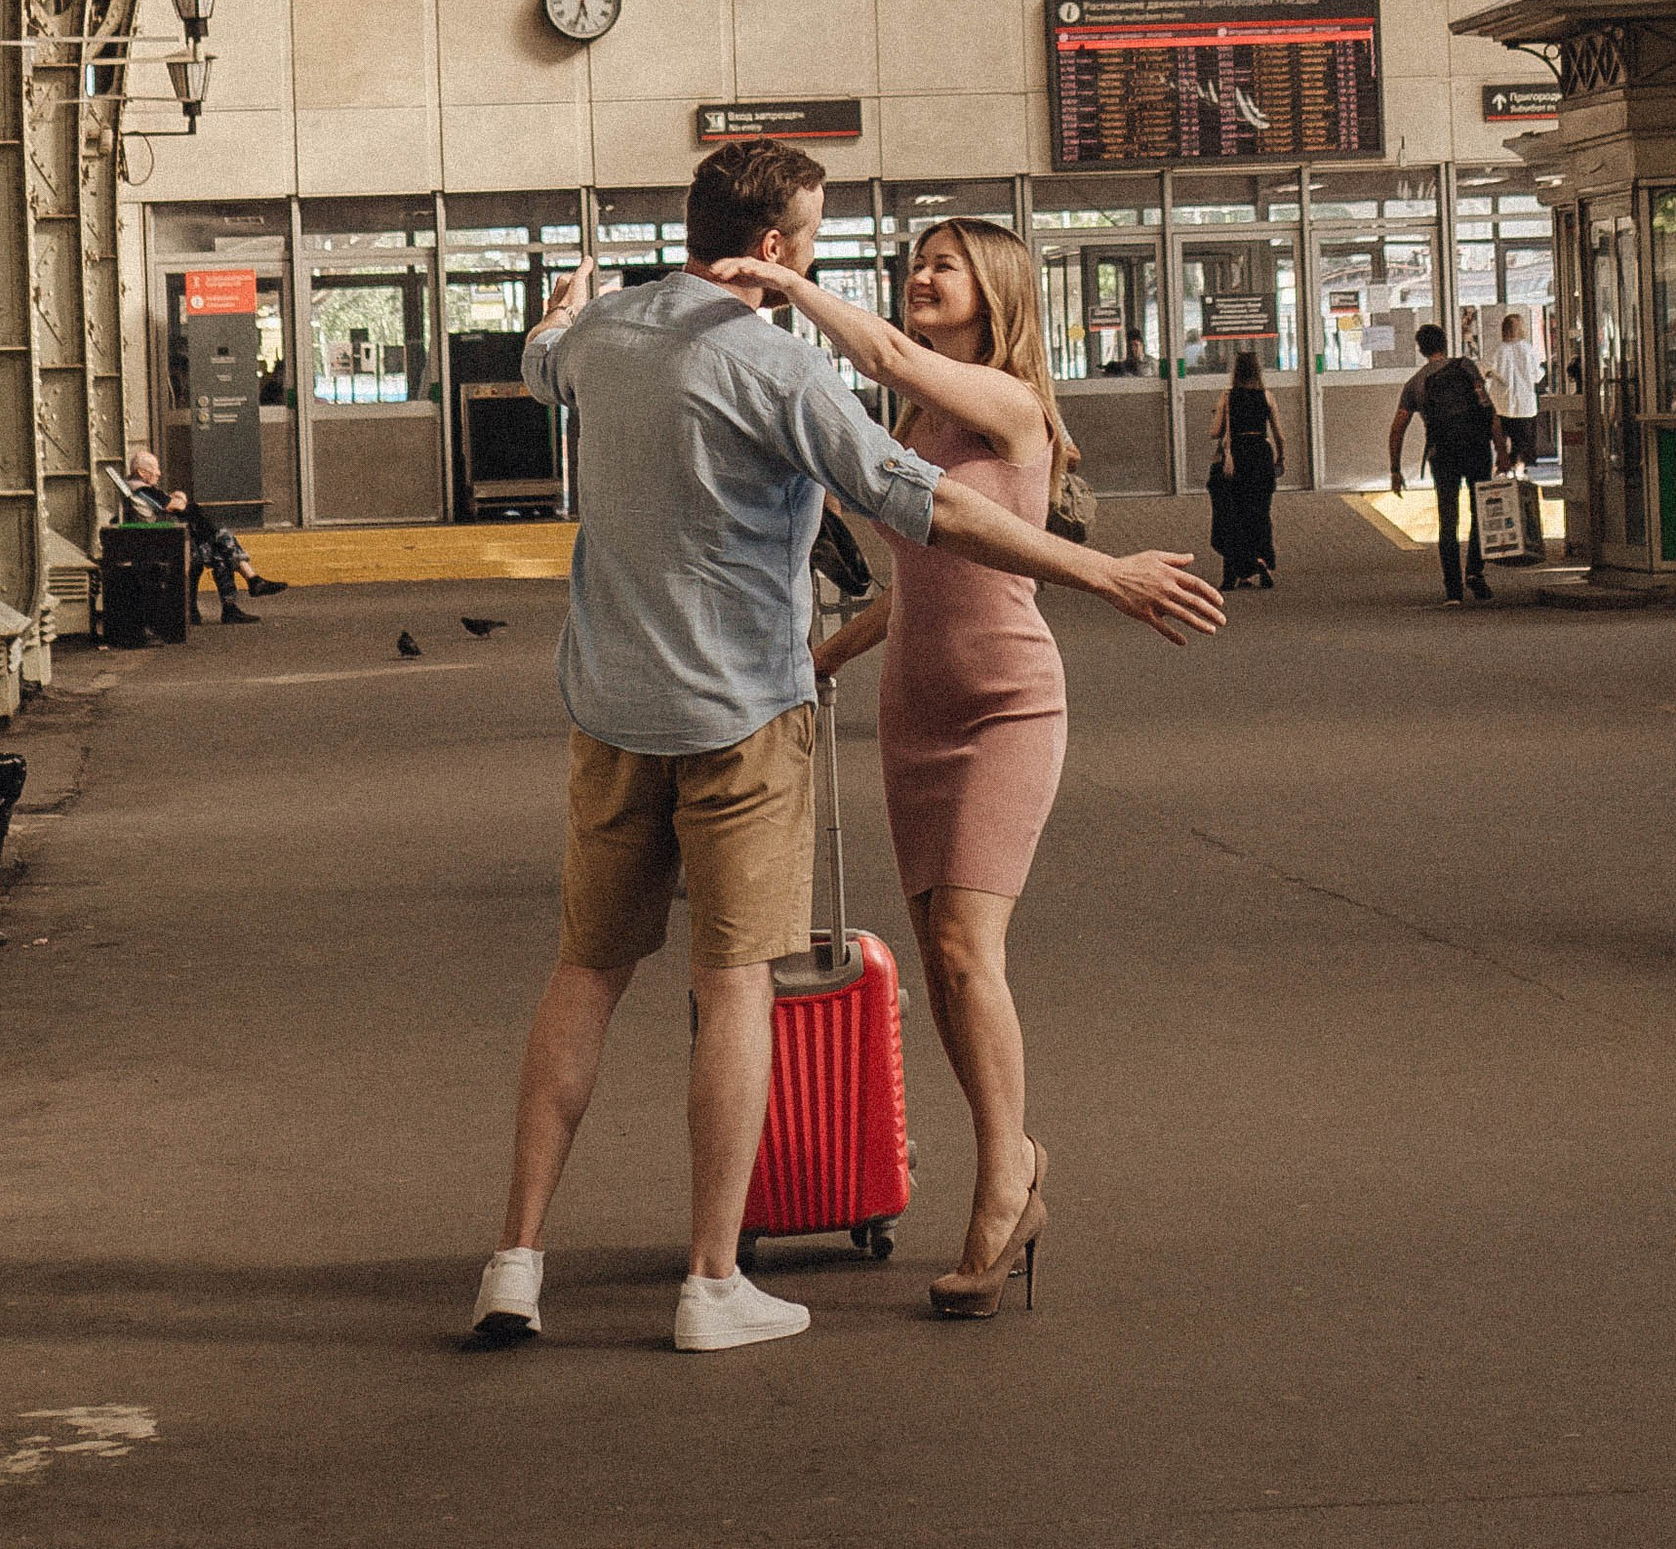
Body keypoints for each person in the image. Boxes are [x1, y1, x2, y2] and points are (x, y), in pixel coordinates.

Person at [470, 146, 1221, 1359]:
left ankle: (514, 1262)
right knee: (738, 985)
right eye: (818, 239)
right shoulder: (781, 367)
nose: (911, 273)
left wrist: (565, 309)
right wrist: (1101, 572)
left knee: (589, 974)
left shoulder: (606, 335)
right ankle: (712, 1283)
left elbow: (541, 358)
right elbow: (925, 505)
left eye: (942, 265)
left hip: (616, 710)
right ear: (775, 244)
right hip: (746, 714)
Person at [750, 215, 1193, 1319]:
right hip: (915, 710)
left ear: (994, 290)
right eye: (916, 262)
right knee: (942, 966)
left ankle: (1004, 1184)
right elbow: (923, 577)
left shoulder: (1007, 404)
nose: (921, 275)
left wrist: (782, 280)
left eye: (943, 264)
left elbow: (885, 352)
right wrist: (825, 657)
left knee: (963, 947)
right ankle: (1014, 1155)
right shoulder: (919, 421)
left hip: (1005, 702)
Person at [1389, 323, 1497, 605]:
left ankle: (1453, 591)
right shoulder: (1467, 367)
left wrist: (1395, 469)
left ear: (1420, 349)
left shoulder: (1416, 383)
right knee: (1480, 511)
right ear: (1445, 344)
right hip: (1476, 449)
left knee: (1448, 519)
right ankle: (1474, 571)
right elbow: (1488, 408)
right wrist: (1502, 450)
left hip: (1442, 454)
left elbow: (1397, 428)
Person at [116, 448, 286, 620]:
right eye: (155, 469)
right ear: (141, 472)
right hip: (163, 541)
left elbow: (167, 503)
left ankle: (245, 590)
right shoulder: (142, 490)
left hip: (163, 538)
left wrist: (177, 499)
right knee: (218, 540)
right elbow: (175, 506)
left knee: (218, 549)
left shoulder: (142, 489)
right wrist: (180, 499)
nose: (159, 473)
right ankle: (244, 589)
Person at [1205, 345, 1284, 590]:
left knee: (1235, 515)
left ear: (1235, 372)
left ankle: (1235, 574)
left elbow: (1214, 432)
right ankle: (1262, 563)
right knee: (1260, 513)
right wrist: (1281, 458)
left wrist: (1217, 415)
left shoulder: (1227, 397)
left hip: (1237, 458)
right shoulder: (1267, 396)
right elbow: (1280, 435)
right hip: (1261, 455)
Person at [1488, 310, 1543, 471]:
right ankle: (1519, 467)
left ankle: (1503, 468)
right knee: (1521, 444)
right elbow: (1536, 376)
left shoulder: (1498, 350)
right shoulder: (1528, 350)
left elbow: (1484, 369)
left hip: (1501, 405)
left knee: (1501, 445)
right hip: (1525, 406)